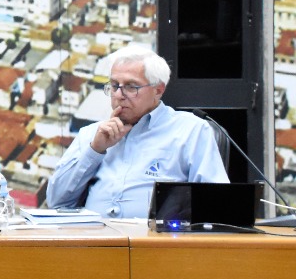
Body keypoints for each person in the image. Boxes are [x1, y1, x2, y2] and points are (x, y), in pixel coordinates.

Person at [47, 44, 228, 218]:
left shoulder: (191, 131)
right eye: (115, 85)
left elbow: (215, 204)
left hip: (156, 244)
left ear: (158, 90)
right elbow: (56, 202)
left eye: (131, 87)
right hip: (95, 243)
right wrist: (94, 150)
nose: (118, 95)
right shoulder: (92, 134)